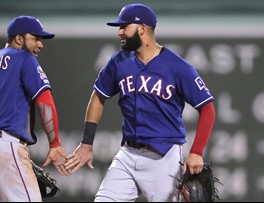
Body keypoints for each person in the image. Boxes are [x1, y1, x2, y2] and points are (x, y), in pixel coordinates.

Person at [65, 3, 216, 202]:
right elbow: (98, 97)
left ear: (142, 29)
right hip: (127, 154)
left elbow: (208, 109)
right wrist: (86, 143)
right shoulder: (119, 62)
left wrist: (196, 152)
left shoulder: (177, 66)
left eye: (124, 26)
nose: (119, 32)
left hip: (163, 157)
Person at [0, 15, 70, 202]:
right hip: (6, 145)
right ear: (19, 39)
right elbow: (45, 102)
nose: (40, 44)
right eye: (36, 38)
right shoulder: (25, 58)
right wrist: (55, 144)